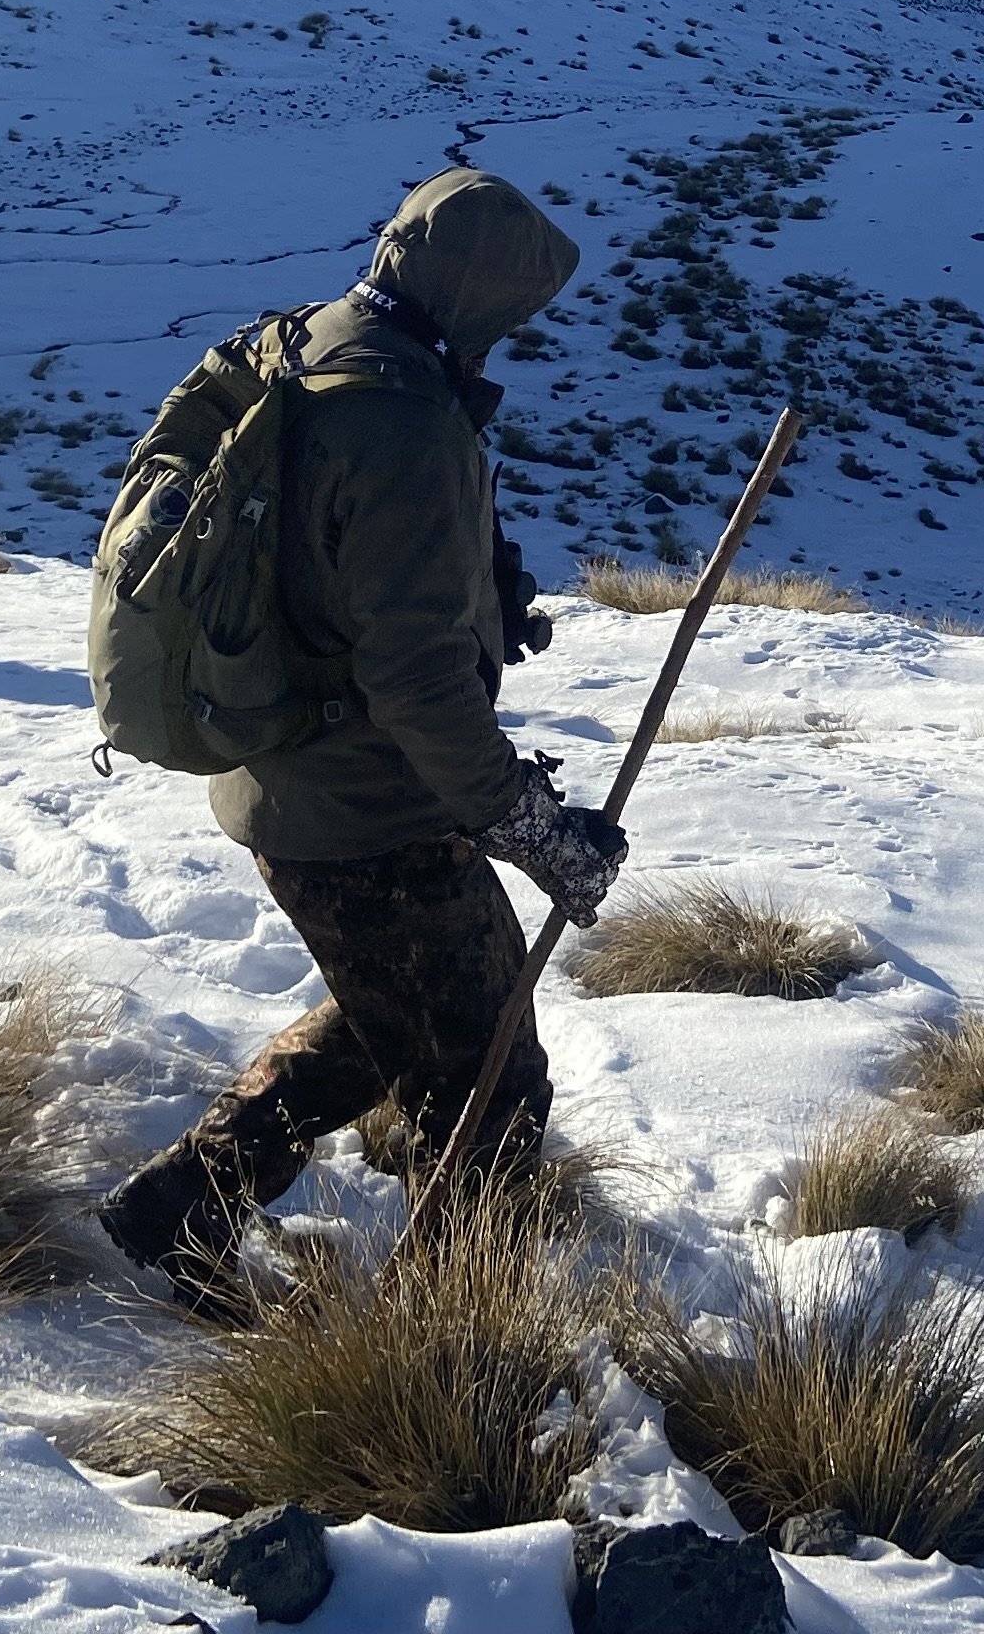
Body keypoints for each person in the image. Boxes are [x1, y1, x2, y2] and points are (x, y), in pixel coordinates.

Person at [99, 165, 621, 1309]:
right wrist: (535, 832)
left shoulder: (313, 340)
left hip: (284, 770)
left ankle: (181, 1205)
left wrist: (477, 581)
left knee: (395, 1011)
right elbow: (419, 685)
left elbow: (327, 542)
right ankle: (439, 1349)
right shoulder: (402, 423)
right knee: (490, 1087)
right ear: (480, 296)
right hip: (366, 810)